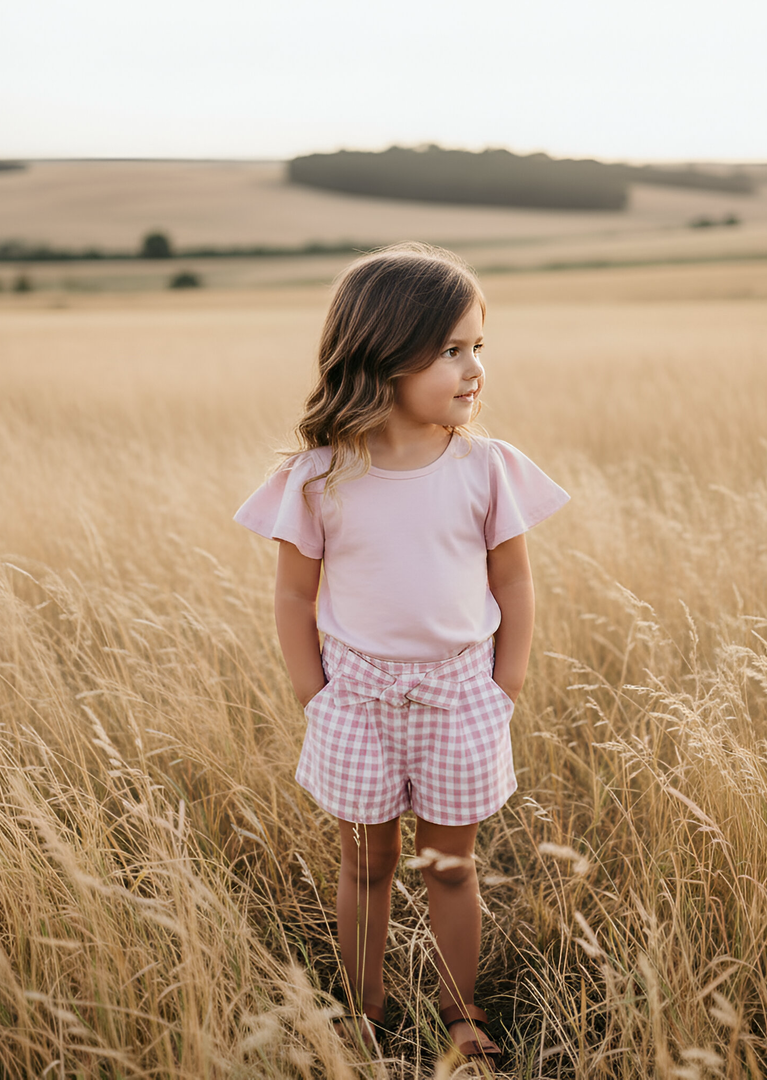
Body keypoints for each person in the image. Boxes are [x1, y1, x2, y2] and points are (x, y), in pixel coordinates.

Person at [234, 242, 568, 1069]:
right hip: (354, 698)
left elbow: (514, 582)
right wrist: (315, 695)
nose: (474, 368)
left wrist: (505, 685)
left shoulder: (486, 468)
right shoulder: (320, 477)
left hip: (462, 695)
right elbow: (293, 597)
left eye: (478, 346)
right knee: (366, 867)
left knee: (451, 866)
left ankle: (462, 1012)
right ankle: (364, 1011)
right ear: (384, 354)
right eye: (451, 349)